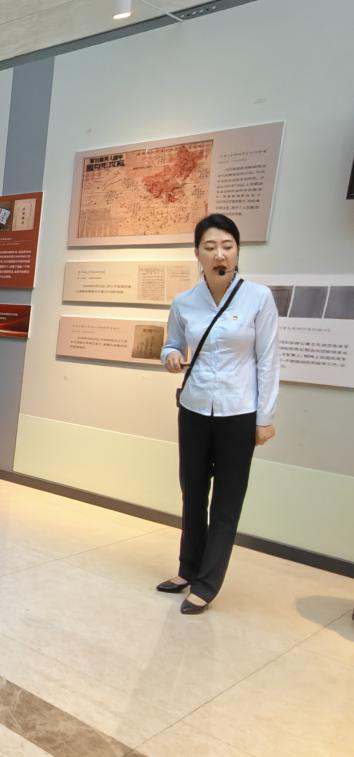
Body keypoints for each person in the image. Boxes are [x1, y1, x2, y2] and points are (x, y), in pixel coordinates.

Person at [158, 213, 278, 615]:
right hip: (194, 408)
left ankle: (207, 583)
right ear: (197, 253)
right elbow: (171, 344)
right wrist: (170, 355)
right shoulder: (184, 301)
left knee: (226, 500)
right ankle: (188, 569)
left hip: (238, 411)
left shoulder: (258, 298)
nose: (219, 254)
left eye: (227, 246)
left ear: (238, 251)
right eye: (210, 247)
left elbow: (269, 361)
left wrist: (265, 417)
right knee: (192, 492)